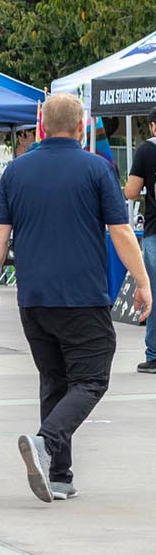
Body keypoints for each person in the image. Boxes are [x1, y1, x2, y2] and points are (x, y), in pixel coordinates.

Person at [0, 93, 152, 503]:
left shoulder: (16, 172)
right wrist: (143, 281)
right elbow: (121, 230)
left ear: (41, 127)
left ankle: (59, 474)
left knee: (54, 380)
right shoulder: (97, 168)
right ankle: (46, 442)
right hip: (81, 295)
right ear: (80, 127)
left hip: (33, 298)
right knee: (91, 378)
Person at [125, 112, 156, 375]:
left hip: (155, 232)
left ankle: (154, 355)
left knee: (154, 292)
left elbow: (131, 191)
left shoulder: (147, 150)